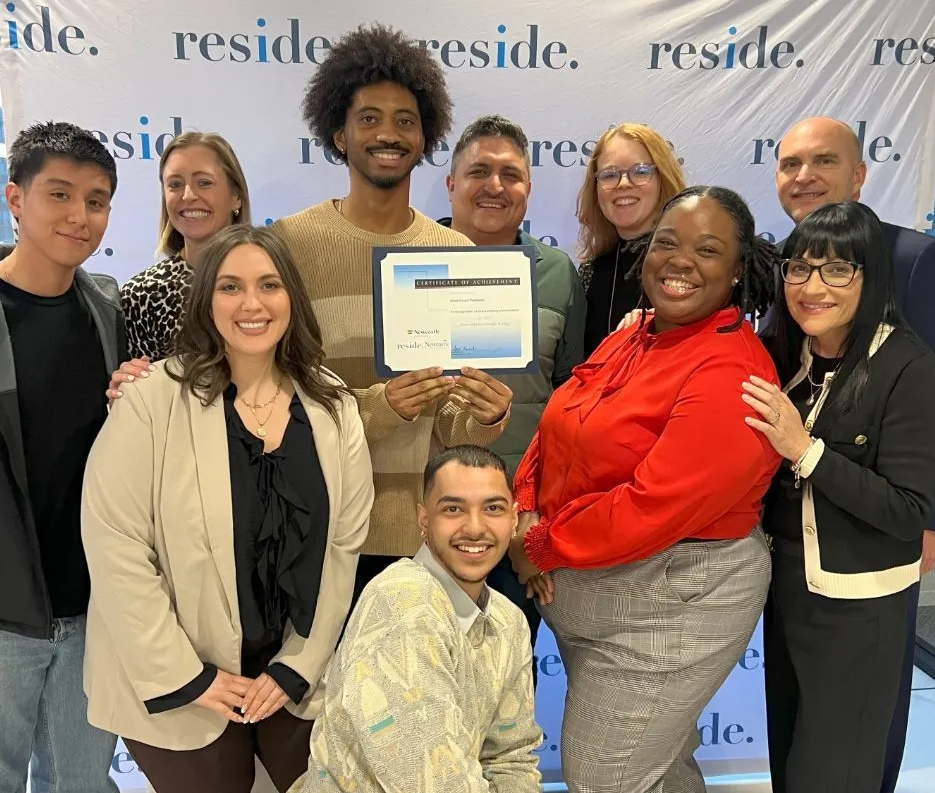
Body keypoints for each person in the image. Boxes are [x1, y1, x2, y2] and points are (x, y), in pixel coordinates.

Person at [80, 224, 374, 793]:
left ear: (293, 297)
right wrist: (188, 678)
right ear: (205, 300)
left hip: (290, 670)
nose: (252, 304)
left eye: (269, 285)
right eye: (231, 287)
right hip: (178, 674)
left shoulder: (332, 405)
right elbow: (115, 544)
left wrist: (298, 664)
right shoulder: (150, 401)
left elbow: (342, 548)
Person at [508, 186, 781, 792]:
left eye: (707, 250)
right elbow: (560, 422)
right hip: (592, 594)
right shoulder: (637, 333)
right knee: (656, 770)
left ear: (737, 272)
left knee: (606, 775)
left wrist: (540, 544)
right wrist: (523, 505)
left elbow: (649, 507)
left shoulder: (731, 371)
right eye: (667, 243)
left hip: (672, 604)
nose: (680, 260)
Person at [273, 24, 512, 603]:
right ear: (338, 132)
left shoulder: (456, 255)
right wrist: (379, 408)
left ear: (426, 137)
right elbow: (272, 399)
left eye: (406, 120)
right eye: (369, 117)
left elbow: (452, 427)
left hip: (421, 539)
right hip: (315, 532)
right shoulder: (289, 244)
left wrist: (484, 415)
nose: (388, 133)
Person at [744, 202, 935, 793]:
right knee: (792, 768)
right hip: (788, 597)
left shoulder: (907, 366)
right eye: (799, 269)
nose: (812, 287)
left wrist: (807, 452)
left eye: (836, 271)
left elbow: (912, 509)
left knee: (835, 776)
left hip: (859, 610)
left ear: (870, 276)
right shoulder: (789, 357)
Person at [292, 445, 541, 793]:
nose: (474, 527)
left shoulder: (508, 619)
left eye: (493, 509)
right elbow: (429, 783)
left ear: (514, 519)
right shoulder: (401, 603)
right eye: (453, 509)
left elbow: (511, 756)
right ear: (424, 520)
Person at [0, 121, 122, 793]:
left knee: (81, 784)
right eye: (60, 194)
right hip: (4, 613)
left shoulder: (107, 307)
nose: (80, 216)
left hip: (92, 608)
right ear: (16, 198)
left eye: (97, 199)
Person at [439, 113, 585, 667]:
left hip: (516, 522)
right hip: (419, 516)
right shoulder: (404, 257)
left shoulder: (557, 272)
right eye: (479, 171)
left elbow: (570, 400)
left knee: (505, 682)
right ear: (452, 184)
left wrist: (539, 523)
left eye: (511, 174)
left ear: (528, 189)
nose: (495, 186)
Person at [119, 131, 250, 363]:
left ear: (236, 196)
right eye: (175, 184)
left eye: (204, 183)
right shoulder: (142, 294)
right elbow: (137, 394)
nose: (188, 195)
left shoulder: (273, 280)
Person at [576, 122, 685, 356]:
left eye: (641, 171)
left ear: (662, 179)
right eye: (609, 175)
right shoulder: (590, 274)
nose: (623, 183)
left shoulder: (690, 268)